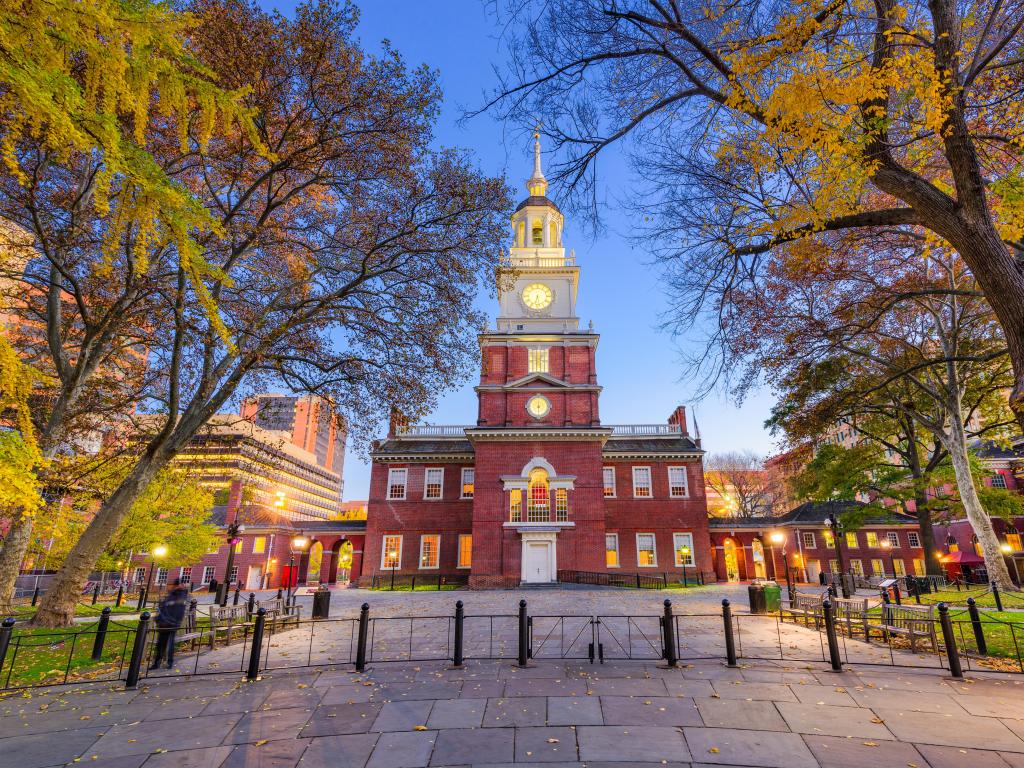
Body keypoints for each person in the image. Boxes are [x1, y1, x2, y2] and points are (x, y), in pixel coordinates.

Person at [151, 578, 189, 669]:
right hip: (164, 623)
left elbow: (177, 610)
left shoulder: (181, 595)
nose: (174, 586)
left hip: (171, 624)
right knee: (160, 644)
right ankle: (157, 662)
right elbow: (164, 607)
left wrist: (169, 620)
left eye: (176, 584)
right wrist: (159, 618)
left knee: (169, 644)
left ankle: (169, 662)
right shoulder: (172, 594)